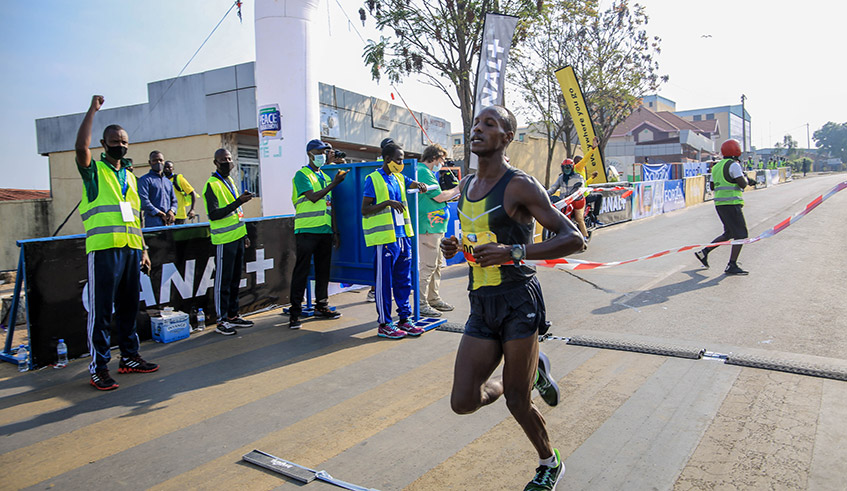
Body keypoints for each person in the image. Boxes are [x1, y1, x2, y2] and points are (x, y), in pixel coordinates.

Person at [441, 105, 585, 491]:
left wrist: (514, 252)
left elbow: (574, 237)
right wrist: (455, 245)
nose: (477, 129)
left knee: (518, 403)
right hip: (481, 302)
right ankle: (530, 369)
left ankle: (548, 463)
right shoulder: (468, 185)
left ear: (506, 138)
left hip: (518, 300)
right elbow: (477, 236)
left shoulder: (520, 185)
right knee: (463, 401)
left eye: (490, 124)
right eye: (474, 124)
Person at [74, 95, 158, 391]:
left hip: (131, 250)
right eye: (114, 141)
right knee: (102, 312)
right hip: (105, 250)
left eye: (123, 141)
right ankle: (98, 367)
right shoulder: (94, 173)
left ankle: (130, 357)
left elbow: (135, 217)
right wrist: (92, 110)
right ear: (104, 143)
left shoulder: (130, 177)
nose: (120, 145)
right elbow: (80, 148)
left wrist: (144, 249)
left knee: (128, 307)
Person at [361, 141, 428, 339]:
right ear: (387, 159)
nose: (401, 162)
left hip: (403, 236)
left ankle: (404, 319)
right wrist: (387, 203)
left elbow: (411, 183)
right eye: (399, 159)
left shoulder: (398, 177)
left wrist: (420, 185)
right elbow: (365, 209)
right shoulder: (372, 179)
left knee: (404, 280)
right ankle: (384, 323)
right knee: (384, 282)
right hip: (386, 238)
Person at [287, 139, 348, 329]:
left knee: (323, 272)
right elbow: (313, 197)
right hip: (306, 231)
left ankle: (321, 306)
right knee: (301, 271)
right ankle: (295, 313)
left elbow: (331, 206)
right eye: (320, 152)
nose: (323, 155)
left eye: (325, 152)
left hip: (324, 231)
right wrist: (335, 183)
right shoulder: (302, 175)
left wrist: (335, 231)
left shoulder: (325, 177)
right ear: (310, 154)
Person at [203, 148, 255, 335]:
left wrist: (244, 235)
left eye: (229, 158)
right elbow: (215, 214)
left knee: (235, 279)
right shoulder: (211, 184)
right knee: (223, 281)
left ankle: (233, 315)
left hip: (238, 237)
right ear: (216, 162)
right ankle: (221, 319)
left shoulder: (230, 181)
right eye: (223, 159)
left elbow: (237, 214)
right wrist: (238, 201)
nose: (228, 162)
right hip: (224, 240)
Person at [694, 138, 757, 276]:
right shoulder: (734, 165)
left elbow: (712, 186)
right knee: (741, 235)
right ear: (736, 151)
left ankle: (704, 252)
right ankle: (732, 265)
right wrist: (747, 179)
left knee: (729, 233)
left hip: (720, 205)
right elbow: (742, 184)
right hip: (732, 204)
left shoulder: (716, 166)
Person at [416, 143, 460, 317]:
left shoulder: (428, 173)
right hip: (428, 227)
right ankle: (421, 303)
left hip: (435, 227)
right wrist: (457, 189)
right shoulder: (423, 172)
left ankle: (433, 298)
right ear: (434, 157)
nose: (443, 163)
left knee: (436, 266)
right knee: (428, 266)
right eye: (442, 159)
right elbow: (440, 196)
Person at [547, 158, 588, 238]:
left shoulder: (578, 177)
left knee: (579, 218)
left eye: (568, 168)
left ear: (572, 167)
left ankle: (584, 237)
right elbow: (553, 188)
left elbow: (581, 188)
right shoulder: (561, 178)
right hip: (564, 202)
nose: (566, 170)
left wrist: (575, 194)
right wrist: (545, 193)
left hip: (577, 201)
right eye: (564, 168)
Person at [138, 151, 178, 227]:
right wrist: (160, 213)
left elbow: (174, 200)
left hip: (169, 223)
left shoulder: (168, 182)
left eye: (161, 160)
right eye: (155, 160)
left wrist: (171, 211)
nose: (158, 162)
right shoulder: (145, 180)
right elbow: (144, 201)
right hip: (153, 223)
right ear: (149, 162)